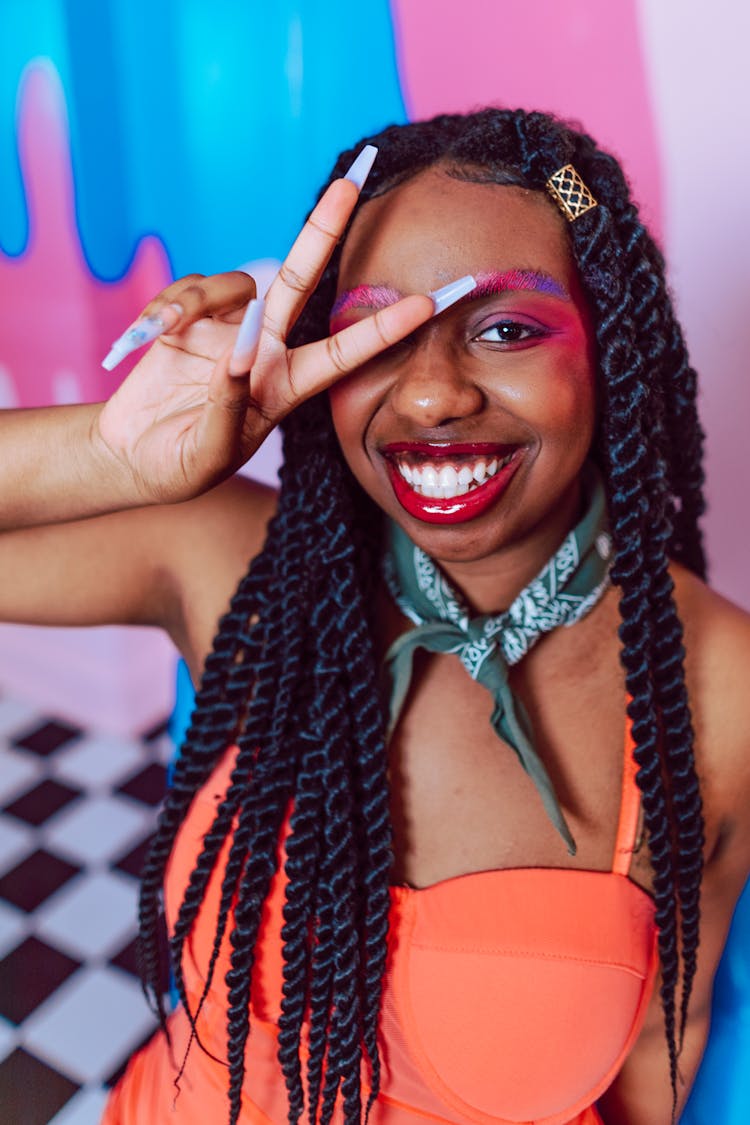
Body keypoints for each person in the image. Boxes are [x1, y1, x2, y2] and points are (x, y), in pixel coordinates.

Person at [2, 108, 749, 1125]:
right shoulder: (233, 561)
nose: (433, 396)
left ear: (609, 350)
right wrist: (112, 455)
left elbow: (676, 1030)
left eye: (506, 329)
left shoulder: (719, 682)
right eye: (376, 333)